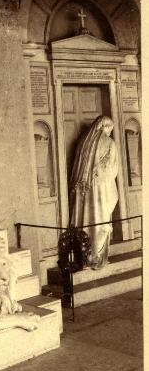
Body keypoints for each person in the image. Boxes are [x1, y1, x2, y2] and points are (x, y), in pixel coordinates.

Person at [69, 115, 119, 269]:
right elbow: (113, 168)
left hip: (84, 190)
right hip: (102, 187)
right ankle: (96, 255)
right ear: (106, 127)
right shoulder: (109, 143)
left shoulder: (84, 142)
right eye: (110, 128)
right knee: (99, 217)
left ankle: (83, 254)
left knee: (86, 217)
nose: (110, 132)